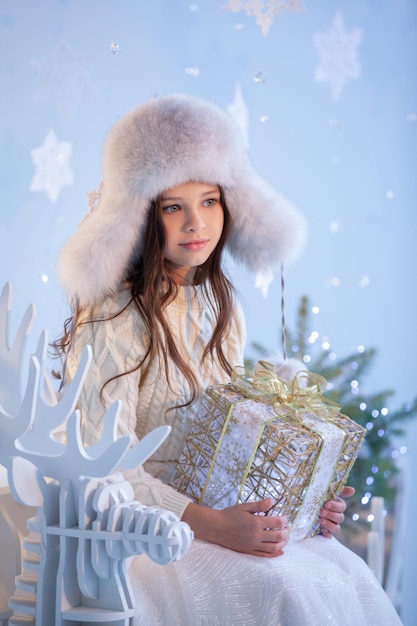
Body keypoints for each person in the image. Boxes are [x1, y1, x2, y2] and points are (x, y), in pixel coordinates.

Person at [56, 93, 403, 625]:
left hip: (210, 516)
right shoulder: (113, 320)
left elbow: (224, 443)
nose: (197, 223)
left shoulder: (221, 307)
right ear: (140, 215)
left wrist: (296, 505)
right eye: (174, 206)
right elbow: (107, 471)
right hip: (144, 534)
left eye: (210, 200)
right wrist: (213, 525)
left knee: (338, 569)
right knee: (280, 587)